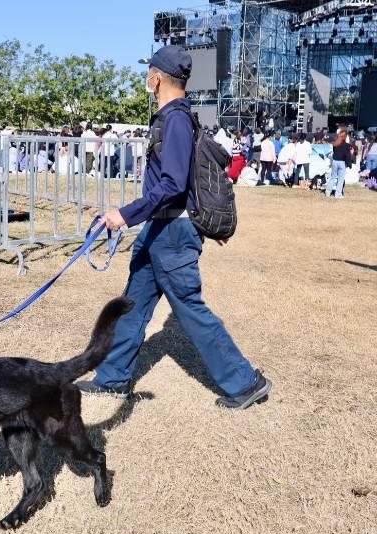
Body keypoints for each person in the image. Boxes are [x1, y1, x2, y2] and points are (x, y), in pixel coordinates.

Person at [76, 45, 271, 410]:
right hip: (158, 230)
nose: (145, 78)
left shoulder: (176, 120)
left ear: (158, 78)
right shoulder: (171, 118)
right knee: (131, 306)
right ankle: (113, 379)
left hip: (173, 234)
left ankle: (246, 383)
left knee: (191, 311)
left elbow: (173, 186)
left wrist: (125, 214)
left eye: (148, 71)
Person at [326, 130, 351, 199]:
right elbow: (347, 155)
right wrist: (349, 164)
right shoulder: (346, 145)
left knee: (332, 177)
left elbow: (334, 152)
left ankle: (327, 193)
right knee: (340, 179)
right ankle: (337, 194)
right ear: (345, 137)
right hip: (342, 162)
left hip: (335, 161)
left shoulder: (335, 144)